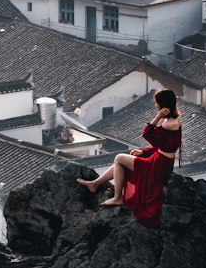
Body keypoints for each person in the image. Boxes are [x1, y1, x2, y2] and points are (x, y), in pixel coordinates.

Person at [77, 89, 182, 229]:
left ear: (163, 106)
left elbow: (148, 134)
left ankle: (117, 198)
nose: (155, 106)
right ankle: (95, 184)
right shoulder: (174, 121)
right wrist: (143, 152)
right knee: (124, 161)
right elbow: (163, 146)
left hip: (158, 165)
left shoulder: (169, 124)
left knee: (119, 158)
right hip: (162, 162)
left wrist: (156, 118)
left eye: (156, 103)